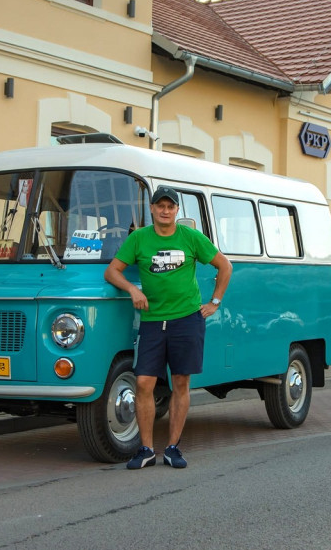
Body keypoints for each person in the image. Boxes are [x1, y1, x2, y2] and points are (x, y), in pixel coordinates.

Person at [105, 185, 232, 470]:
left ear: (176, 210)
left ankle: (173, 447)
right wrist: (132, 291)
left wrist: (214, 302)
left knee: (181, 383)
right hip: (152, 322)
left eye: (170, 206)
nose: (165, 210)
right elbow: (112, 270)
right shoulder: (139, 239)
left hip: (187, 320)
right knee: (143, 383)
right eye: (160, 206)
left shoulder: (191, 237)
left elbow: (225, 266)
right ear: (152, 209)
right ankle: (147, 449)